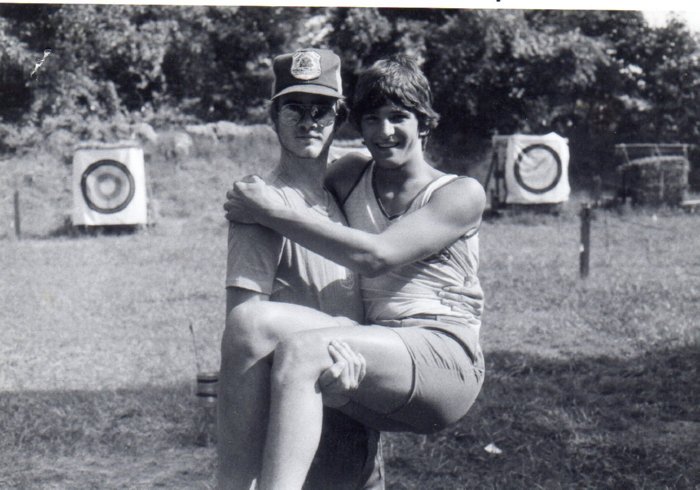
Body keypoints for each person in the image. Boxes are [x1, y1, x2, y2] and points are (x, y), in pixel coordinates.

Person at [224, 55, 486, 490]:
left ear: (424, 122)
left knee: (304, 351)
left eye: (398, 117)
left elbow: (375, 257)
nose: (384, 131)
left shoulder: (460, 192)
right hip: (376, 350)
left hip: (443, 354)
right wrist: (253, 194)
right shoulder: (349, 174)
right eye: (372, 119)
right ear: (357, 125)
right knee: (250, 323)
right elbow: (300, 179)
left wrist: (267, 210)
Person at [217, 48, 384, 490]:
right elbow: (244, 335)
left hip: (357, 416)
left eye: (321, 110)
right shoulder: (260, 205)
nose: (309, 121)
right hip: (298, 425)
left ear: (339, 118)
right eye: (294, 108)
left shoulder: (344, 197)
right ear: (273, 117)